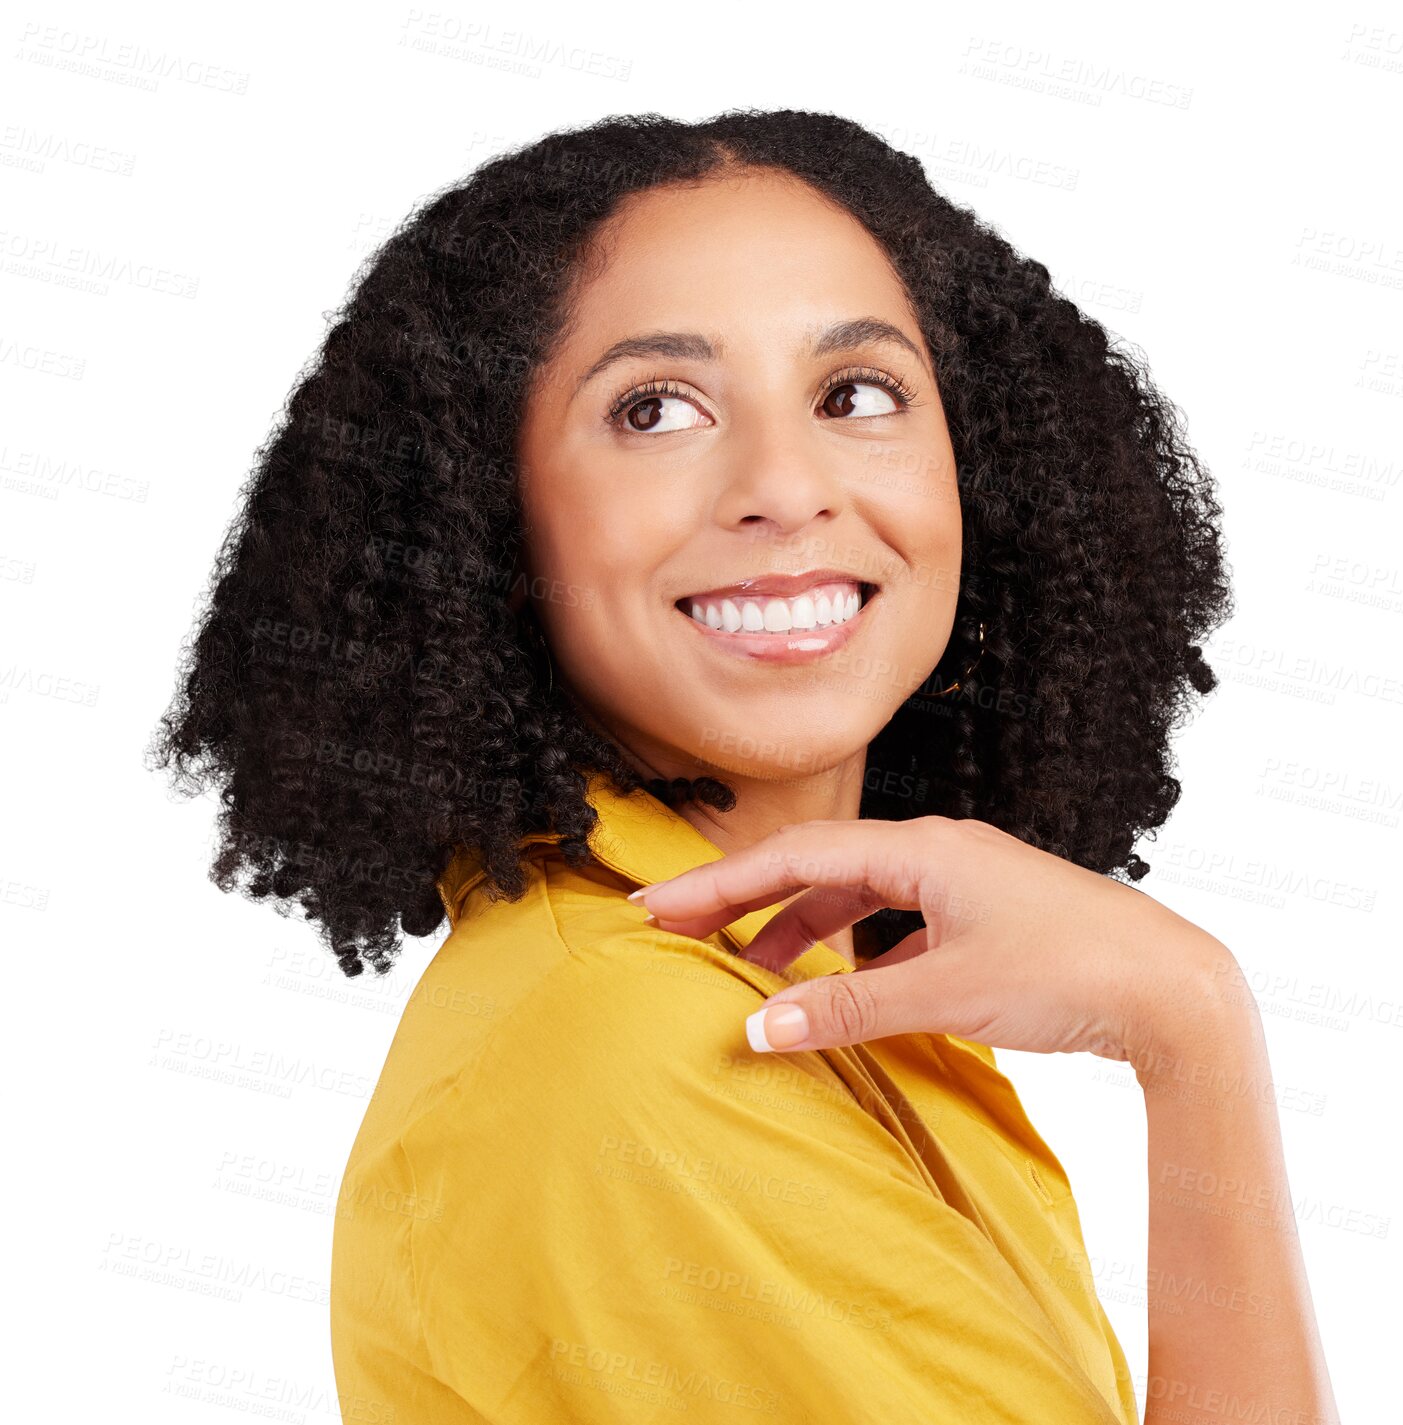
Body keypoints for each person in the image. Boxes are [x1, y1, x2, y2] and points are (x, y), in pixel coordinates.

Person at [149, 110, 1339, 1423]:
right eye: (656, 409)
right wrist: (1195, 1027)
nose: (785, 484)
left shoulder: (796, 980)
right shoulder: (645, 1059)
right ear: (488, 513)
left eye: (857, 394)